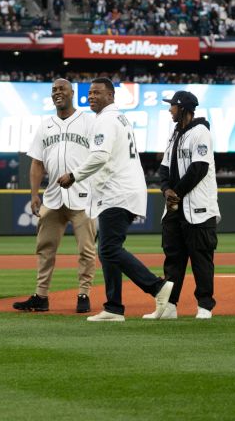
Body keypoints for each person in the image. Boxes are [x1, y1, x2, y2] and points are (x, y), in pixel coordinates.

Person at [55, 78, 173, 322]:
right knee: (108, 250)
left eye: (98, 92)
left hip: (117, 192)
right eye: (89, 93)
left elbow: (99, 156)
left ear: (111, 96)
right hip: (121, 190)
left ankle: (157, 287)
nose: (92, 96)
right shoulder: (118, 118)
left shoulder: (106, 120)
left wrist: (74, 176)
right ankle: (113, 307)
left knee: (108, 249)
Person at [12, 78, 97, 314]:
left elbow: (100, 157)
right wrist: (34, 194)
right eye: (54, 90)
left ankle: (84, 293)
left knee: (86, 250)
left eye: (62, 89)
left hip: (84, 196)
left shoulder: (88, 121)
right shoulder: (45, 125)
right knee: (45, 248)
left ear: (72, 93)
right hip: (52, 196)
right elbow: (37, 163)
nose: (57, 93)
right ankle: (41, 296)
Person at [146, 90, 219, 320]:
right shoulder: (175, 134)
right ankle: (169, 306)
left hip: (198, 208)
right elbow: (164, 168)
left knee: (201, 259)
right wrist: (167, 190)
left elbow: (199, 168)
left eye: (173, 106)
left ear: (183, 108)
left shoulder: (201, 132)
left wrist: (175, 192)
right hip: (175, 209)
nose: (170, 109)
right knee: (173, 259)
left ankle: (205, 306)